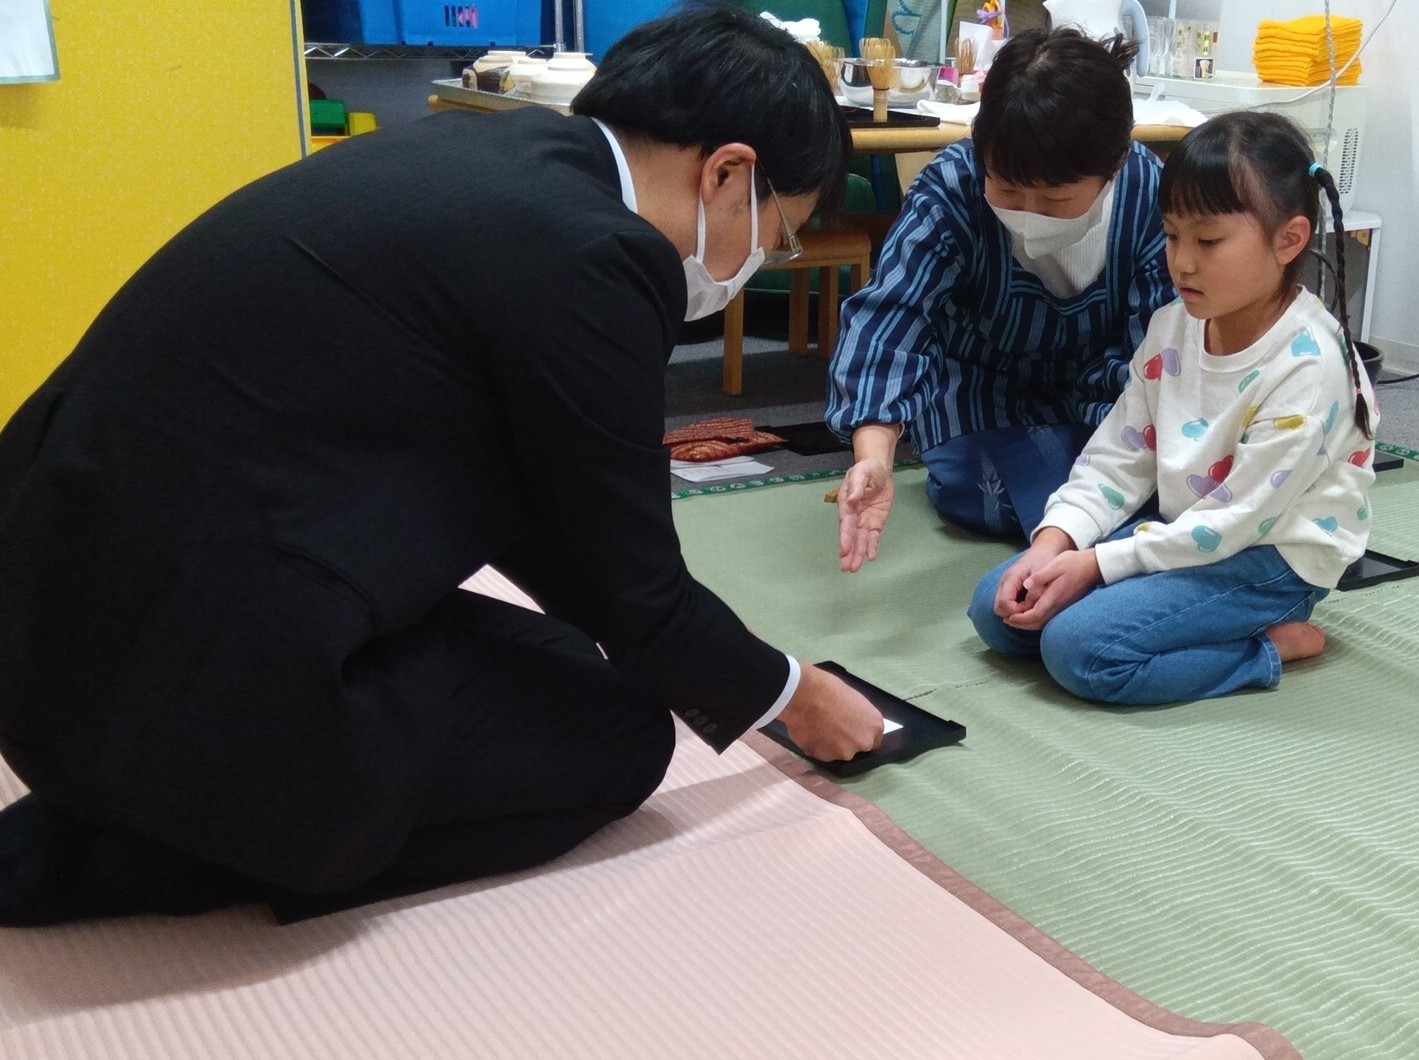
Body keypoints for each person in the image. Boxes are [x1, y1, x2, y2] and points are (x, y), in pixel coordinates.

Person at [0, 2, 884, 926]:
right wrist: (791, 694)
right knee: (617, 739)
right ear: (727, 173)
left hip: (51, 613)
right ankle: (151, 854)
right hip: (177, 661)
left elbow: (557, 522)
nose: (761, 259)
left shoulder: (495, 158)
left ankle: (165, 789)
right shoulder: (596, 254)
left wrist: (704, 660)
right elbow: (637, 589)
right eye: (778, 233)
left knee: (572, 664)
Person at [967, 111, 1377, 706]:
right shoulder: (1174, 326)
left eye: (1208, 241)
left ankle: (1269, 646)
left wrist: (1098, 565)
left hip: (1269, 557)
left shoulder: (1309, 368)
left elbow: (1236, 521)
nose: (1182, 262)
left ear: (1289, 240)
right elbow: (1119, 455)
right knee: (999, 610)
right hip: (1188, 531)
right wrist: (1054, 543)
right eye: (1172, 235)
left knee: (1081, 652)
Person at [828, 28, 1175, 571]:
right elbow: (892, 315)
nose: (1029, 213)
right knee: (979, 487)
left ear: (1116, 166)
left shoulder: (1151, 198)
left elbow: (1165, 347)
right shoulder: (953, 187)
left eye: (1056, 198)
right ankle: (1102, 522)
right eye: (1008, 189)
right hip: (980, 389)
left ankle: (1091, 509)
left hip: (1109, 397)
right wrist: (874, 456)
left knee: (1150, 463)